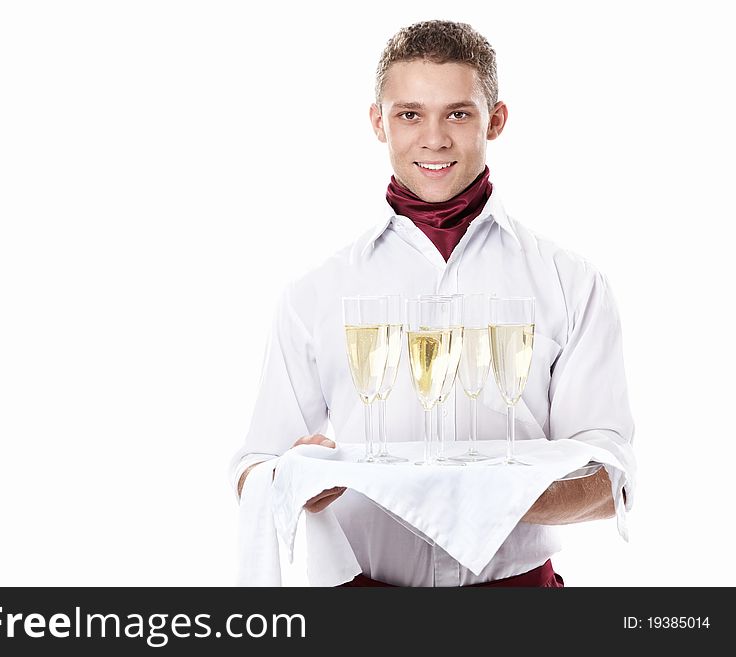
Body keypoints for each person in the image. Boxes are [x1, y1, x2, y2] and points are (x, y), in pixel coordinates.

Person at [229, 19, 636, 587]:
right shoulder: (315, 293)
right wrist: (295, 479)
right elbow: (253, 469)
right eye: (410, 114)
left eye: (459, 114)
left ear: (495, 120)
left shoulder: (570, 281)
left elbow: (608, 483)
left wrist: (485, 497)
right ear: (379, 122)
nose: (434, 138)